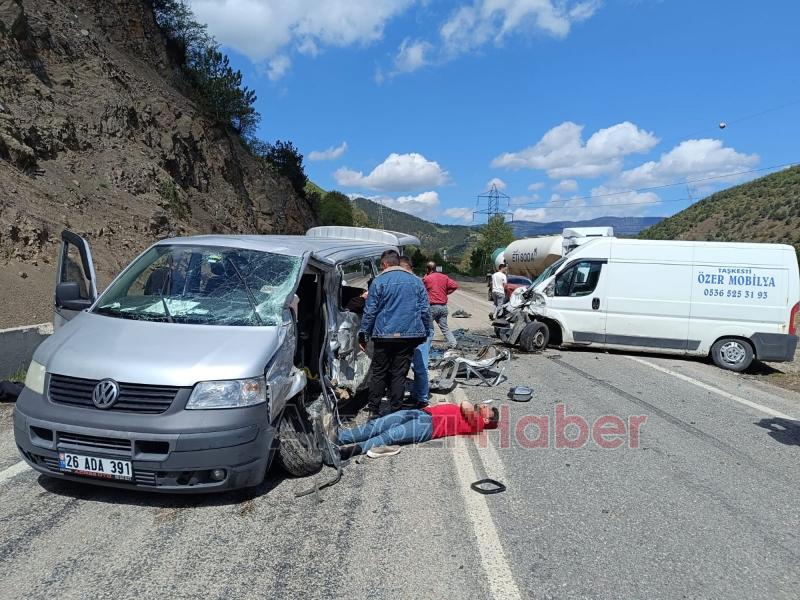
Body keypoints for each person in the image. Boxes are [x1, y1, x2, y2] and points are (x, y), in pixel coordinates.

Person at [360, 250, 433, 418]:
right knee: (399, 373)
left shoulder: (378, 281)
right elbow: (424, 310)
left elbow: (370, 311)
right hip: (409, 336)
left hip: (383, 335)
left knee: (379, 372)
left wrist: (363, 333)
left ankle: (373, 410)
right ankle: (395, 410)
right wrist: (425, 332)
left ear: (385, 264)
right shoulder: (416, 281)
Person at [337, 400, 500, 458]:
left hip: (429, 427)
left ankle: (353, 450)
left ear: (486, 419)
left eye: (487, 408)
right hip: (422, 413)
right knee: (378, 424)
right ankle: (341, 437)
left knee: (390, 435)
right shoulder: (474, 416)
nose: (485, 405)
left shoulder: (478, 423)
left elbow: (464, 404)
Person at [399, 256, 432, 408]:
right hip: (412, 329)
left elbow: (424, 311)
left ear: (406, 267)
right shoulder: (411, 282)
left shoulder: (416, 282)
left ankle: (422, 398)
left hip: (421, 329)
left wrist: (425, 331)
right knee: (414, 365)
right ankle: (416, 395)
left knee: (420, 365)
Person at [422, 261, 459, 349]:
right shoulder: (444, 277)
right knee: (445, 328)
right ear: (435, 268)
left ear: (428, 269)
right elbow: (455, 285)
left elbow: (421, 290)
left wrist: (425, 277)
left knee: (429, 329)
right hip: (443, 307)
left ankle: (427, 347)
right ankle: (454, 343)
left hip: (432, 307)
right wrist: (446, 292)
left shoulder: (427, 279)